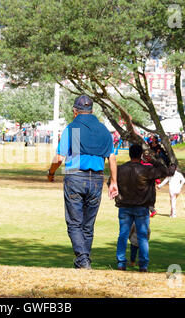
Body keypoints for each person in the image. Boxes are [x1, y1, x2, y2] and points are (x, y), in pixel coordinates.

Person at [47, 95, 118, 270]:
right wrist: (114, 182)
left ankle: (83, 259)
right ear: (92, 110)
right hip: (97, 178)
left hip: (75, 176)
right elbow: (112, 157)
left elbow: (60, 157)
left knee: (74, 222)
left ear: (75, 111)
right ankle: (83, 261)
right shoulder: (103, 130)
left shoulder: (73, 128)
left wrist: (51, 172)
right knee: (88, 224)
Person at [113, 144, 168, 272]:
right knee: (142, 237)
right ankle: (143, 265)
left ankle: (121, 263)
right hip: (141, 207)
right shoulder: (146, 170)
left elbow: (112, 182)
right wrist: (153, 161)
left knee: (123, 235)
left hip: (125, 205)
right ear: (141, 155)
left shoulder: (121, 169)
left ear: (130, 154)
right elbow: (164, 171)